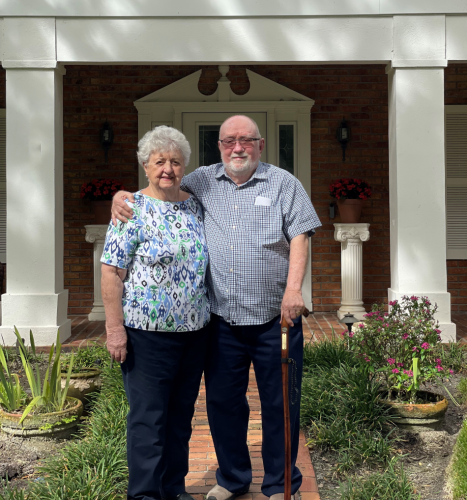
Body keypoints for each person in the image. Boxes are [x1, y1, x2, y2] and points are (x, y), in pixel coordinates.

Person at [112, 116, 321, 500]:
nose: (237, 148)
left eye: (246, 140)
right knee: (224, 404)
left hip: (276, 318)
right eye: (228, 141)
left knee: (280, 404)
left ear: (260, 145)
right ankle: (233, 478)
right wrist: (122, 196)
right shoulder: (202, 181)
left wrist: (294, 290)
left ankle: (279, 483)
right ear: (219, 146)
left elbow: (301, 236)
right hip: (221, 320)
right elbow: (160, 186)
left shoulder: (284, 184)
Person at [101, 125, 210, 500]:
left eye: (175, 162)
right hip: (147, 335)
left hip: (194, 333)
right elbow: (112, 271)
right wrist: (114, 329)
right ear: (145, 166)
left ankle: (173, 489)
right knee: (149, 420)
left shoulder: (194, 204)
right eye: (159, 161)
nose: (168, 169)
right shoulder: (131, 208)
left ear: (184, 167)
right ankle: (145, 494)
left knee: (181, 419)